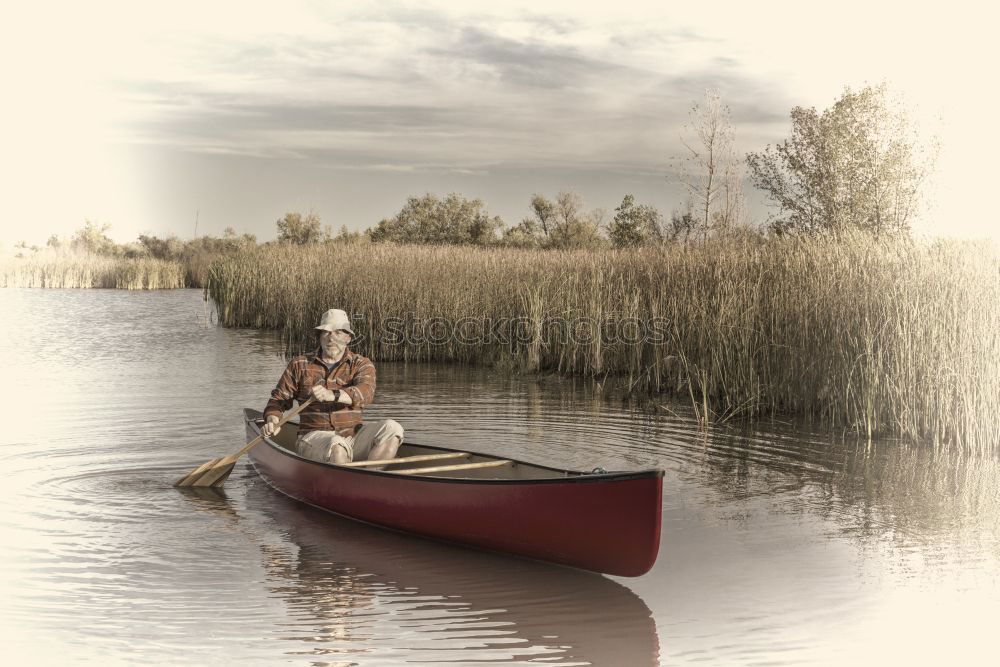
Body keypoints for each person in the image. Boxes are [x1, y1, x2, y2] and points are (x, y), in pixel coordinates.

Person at [262, 308, 404, 465]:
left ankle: (372, 477)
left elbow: (366, 394)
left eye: (338, 333)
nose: (331, 339)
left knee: (393, 428)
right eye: (326, 333)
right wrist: (272, 421)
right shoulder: (299, 364)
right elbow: (278, 400)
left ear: (348, 338)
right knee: (336, 444)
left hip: (354, 437)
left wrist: (333, 395)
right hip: (313, 438)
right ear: (320, 337)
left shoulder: (361, 364)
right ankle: (350, 482)